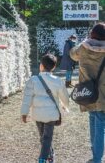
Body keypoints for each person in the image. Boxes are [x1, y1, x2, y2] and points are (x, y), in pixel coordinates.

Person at [21, 54, 69, 163]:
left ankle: (44, 158)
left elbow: (27, 98)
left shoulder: (33, 80)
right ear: (53, 67)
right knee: (47, 137)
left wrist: (24, 113)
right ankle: (47, 156)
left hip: (37, 115)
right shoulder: (57, 80)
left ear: (41, 66)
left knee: (42, 137)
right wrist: (65, 106)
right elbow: (65, 96)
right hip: (51, 115)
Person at [70, 23, 105, 163]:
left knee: (93, 120)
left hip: (88, 93)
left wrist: (83, 41)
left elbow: (72, 54)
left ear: (92, 34)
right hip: (103, 95)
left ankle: (95, 156)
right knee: (100, 124)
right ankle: (97, 158)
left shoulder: (83, 48)